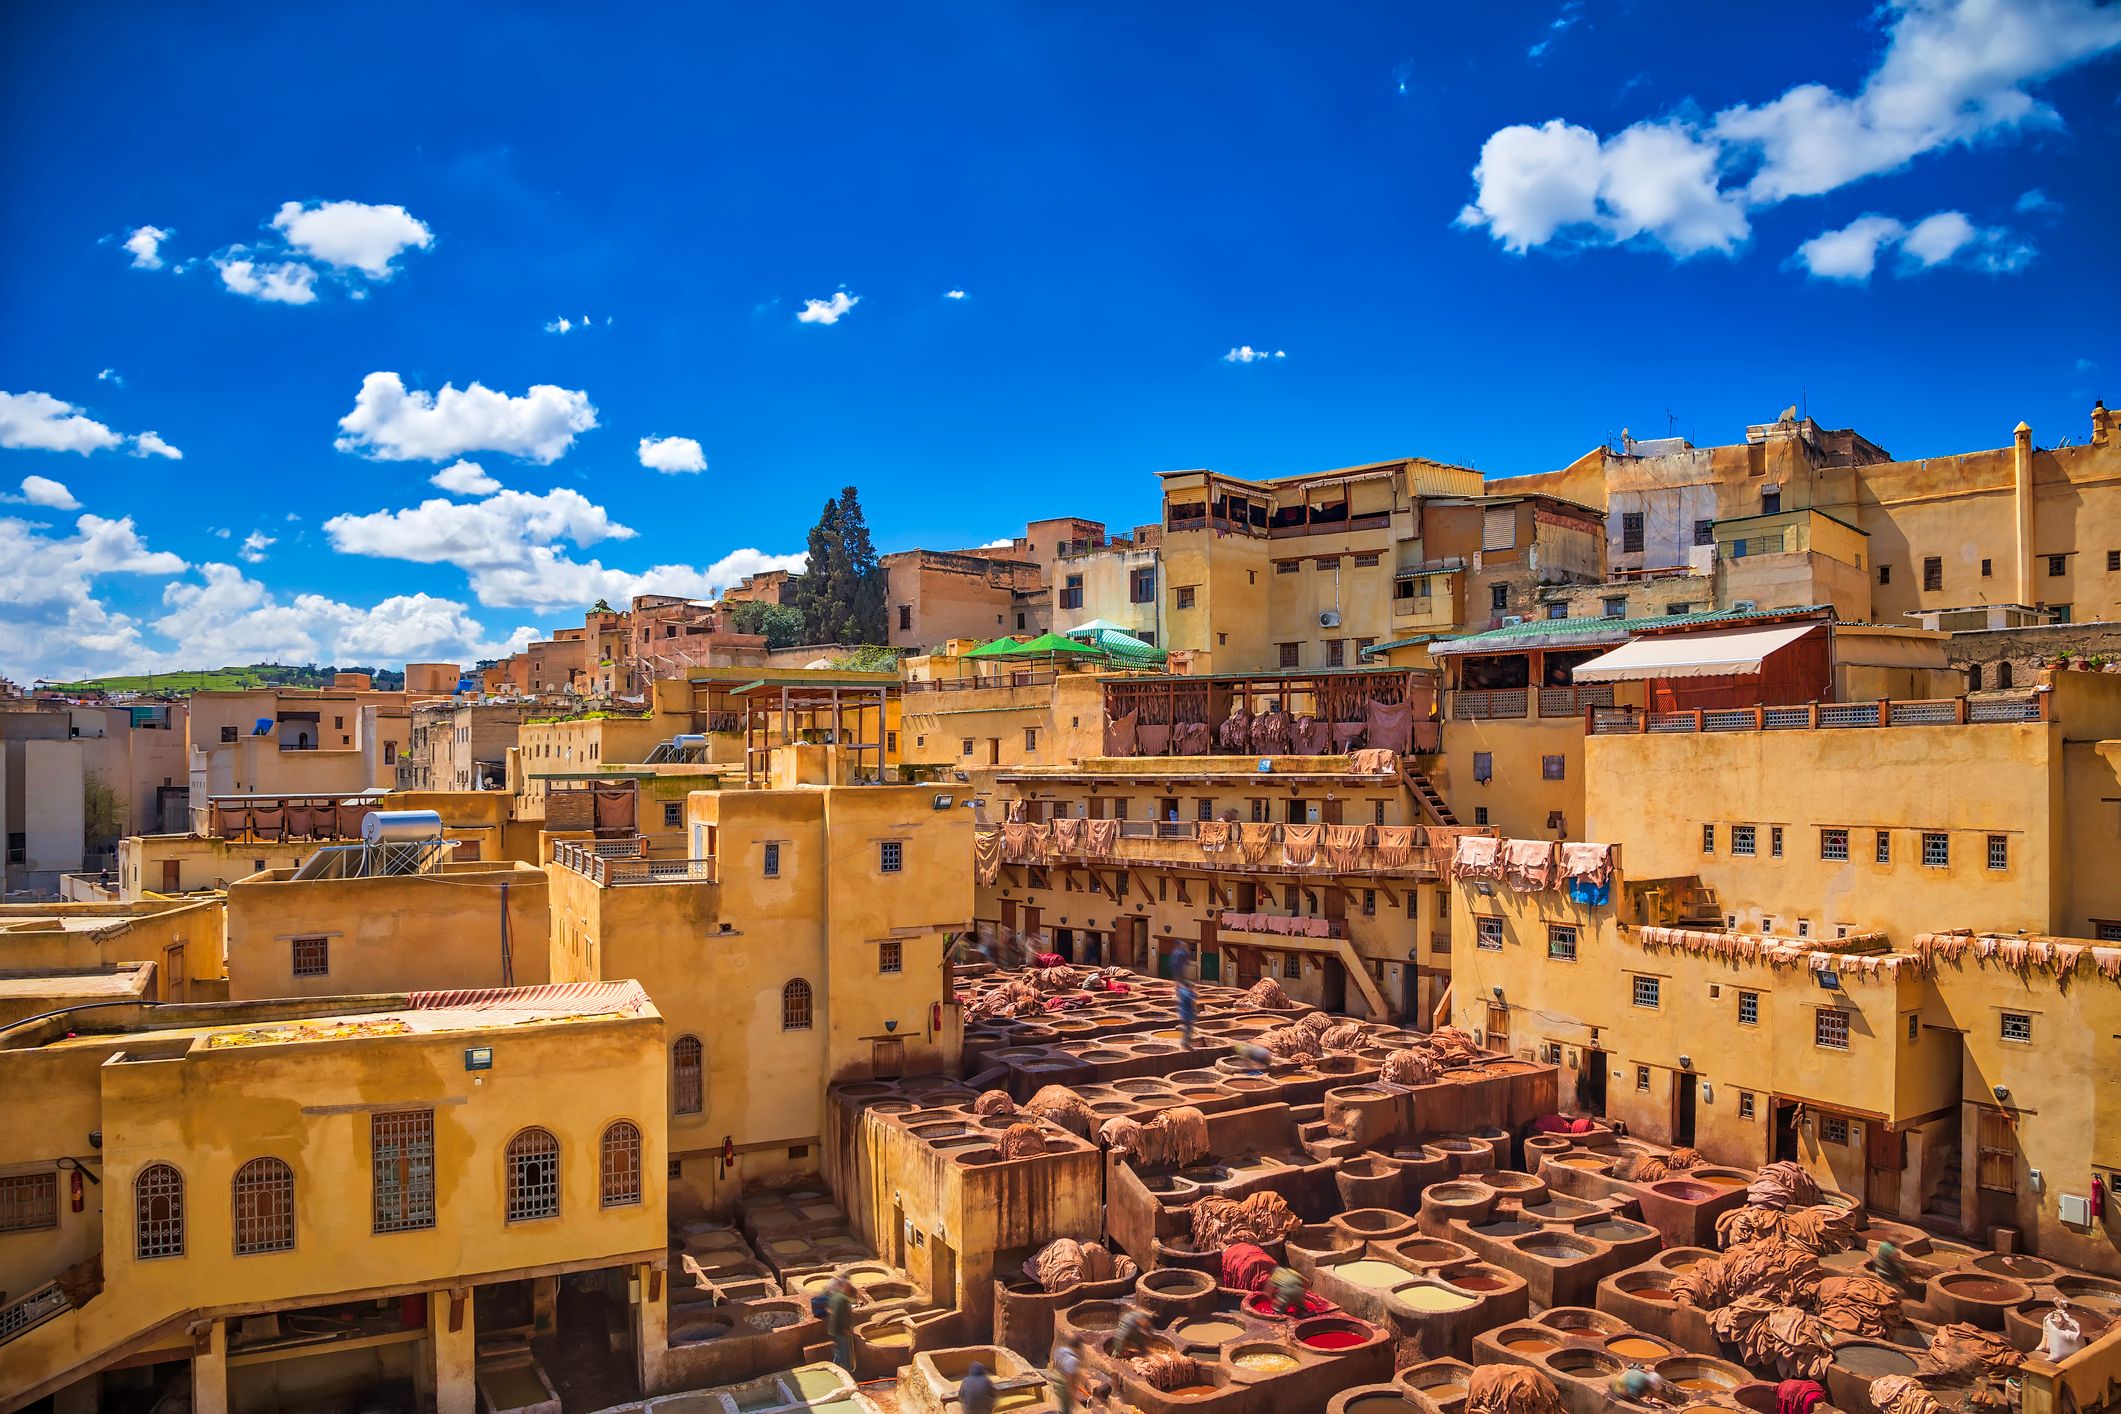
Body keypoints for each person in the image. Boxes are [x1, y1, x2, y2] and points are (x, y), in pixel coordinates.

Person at [822, 1275, 855, 1372]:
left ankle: (833, 1370)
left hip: (833, 1330)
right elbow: (840, 1316)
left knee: (838, 1352)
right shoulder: (843, 1299)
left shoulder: (835, 1295)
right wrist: (846, 1329)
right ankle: (846, 1373)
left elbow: (831, 1311)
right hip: (841, 1331)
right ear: (845, 1287)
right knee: (844, 1354)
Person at [1050, 1331, 1084, 1414]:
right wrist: (1073, 1397)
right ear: (1078, 1347)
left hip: (1056, 1379)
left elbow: (1055, 1365)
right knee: (1067, 1409)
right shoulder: (1073, 1360)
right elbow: (1069, 1381)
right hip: (1063, 1385)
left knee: (1063, 1405)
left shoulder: (1060, 1350)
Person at [1611, 1365, 1677, 1405]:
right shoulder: (1640, 1385)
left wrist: (1649, 1393)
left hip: (1616, 1385)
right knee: (1636, 1401)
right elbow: (1656, 1394)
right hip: (1618, 1392)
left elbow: (1652, 1391)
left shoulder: (1640, 1375)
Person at [1176, 978, 1198, 1049]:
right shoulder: (1187, 993)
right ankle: (1184, 1043)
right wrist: (1193, 992)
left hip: (1183, 1013)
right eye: (1192, 986)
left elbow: (1178, 991)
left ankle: (1185, 1041)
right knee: (1189, 1028)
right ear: (1189, 986)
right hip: (1187, 1013)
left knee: (1188, 1028)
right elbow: (1194, 997)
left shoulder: (1182, 991)